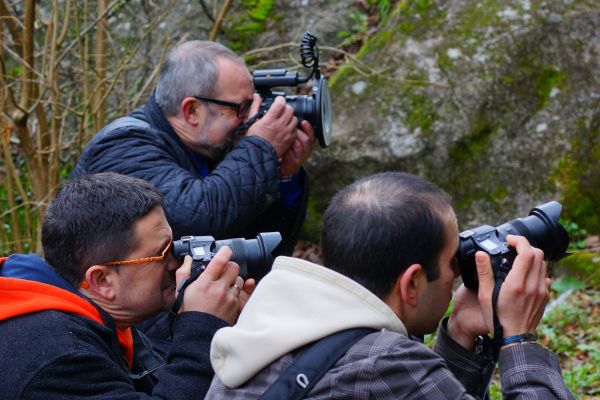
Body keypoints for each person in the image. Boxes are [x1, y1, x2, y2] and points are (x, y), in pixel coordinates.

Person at [205, 172, 574, 399]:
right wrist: (518, 340)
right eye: (450, 264)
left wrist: (461, 333)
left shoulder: (267, 325)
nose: (455, 278)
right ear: (412, 282)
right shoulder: (382, 363)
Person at [72, 40, 315, 278]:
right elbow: (196, 219)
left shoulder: (209, 147)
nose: (250, 118)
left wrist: (283, 175)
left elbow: (261, 253)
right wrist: (262, 146)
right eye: (242, 108)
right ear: (192, 111)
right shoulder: (121, 147)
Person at [0, 172, 254, 399]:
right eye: (162, 253)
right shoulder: (55, 358)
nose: (176, 261)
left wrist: (231, 328)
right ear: (103, 280)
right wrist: (202, 325)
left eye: (173, 244)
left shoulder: (88, 314)